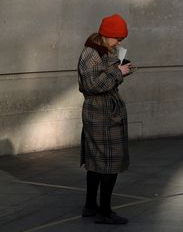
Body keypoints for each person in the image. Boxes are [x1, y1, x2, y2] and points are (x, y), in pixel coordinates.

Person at [78, 13, 134, 225]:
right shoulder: (91, 54)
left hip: (102, 110)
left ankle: (90, 206)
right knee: (109, 162)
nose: (119, 42)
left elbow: (103, 77)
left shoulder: (101, 51)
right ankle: (105, 211)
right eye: (117, 38)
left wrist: (122, 68)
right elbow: (93, 85)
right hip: (100, 111)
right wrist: (118, 72)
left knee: (97, 162)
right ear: (107, 35)